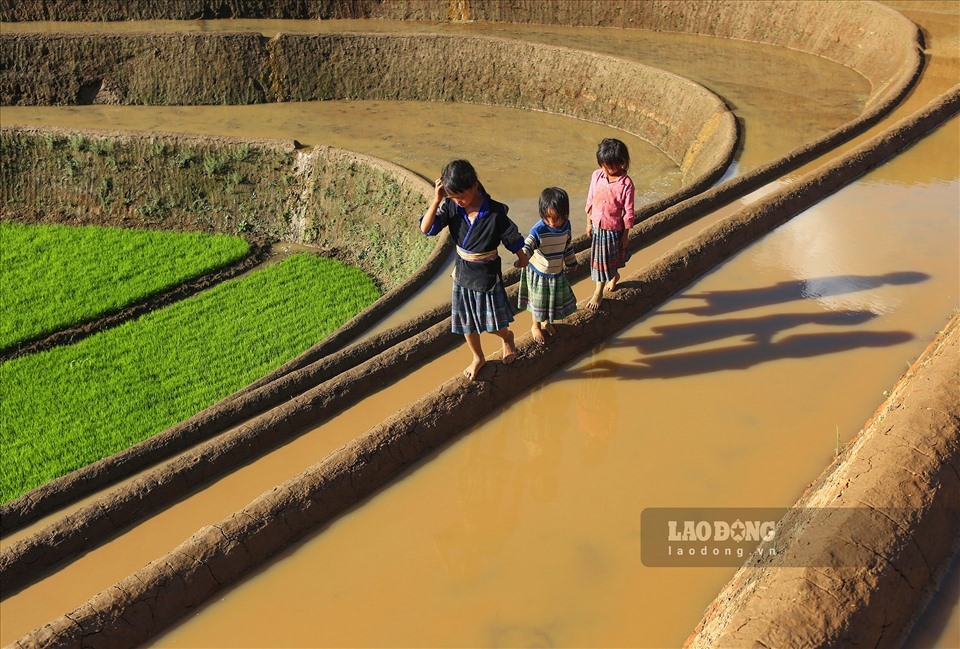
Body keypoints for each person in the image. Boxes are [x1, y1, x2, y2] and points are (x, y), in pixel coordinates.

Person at [420, 159, 529, 381]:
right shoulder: (451, 206)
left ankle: (507, 337)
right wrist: (437, 199)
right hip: (462, 274)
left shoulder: (495, 212)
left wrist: (523, 259)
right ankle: (478, 357)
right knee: (466, 324)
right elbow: (427, 229)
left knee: (492, 325)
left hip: (486, 274)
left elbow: (512, 238)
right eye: (453, 197)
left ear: (475, 186)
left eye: (462, 196)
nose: (459, 201)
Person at [516, 187, 579, 344]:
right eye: (547, 218)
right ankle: (535, 326)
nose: (552, 222)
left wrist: (571, 262)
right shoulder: (538, 229)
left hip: (556, 271)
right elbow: (528, 246)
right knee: (538, 302)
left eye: (556, 218)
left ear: (565, 214)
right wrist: (522, 258)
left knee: (551, 300)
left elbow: (567, 245)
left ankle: (547, 322)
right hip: (539, 273)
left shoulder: (566, 226)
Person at [585, 138, 636, 310]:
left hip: (613, 230)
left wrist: (626, 235)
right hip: (597, 226)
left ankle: (597, 292)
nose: (607, 169)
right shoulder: (597, 175)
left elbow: (629, 212)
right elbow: (591, 199)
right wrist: (588, 223)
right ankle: (613, 276)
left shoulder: (626, 184)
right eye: (604, 165)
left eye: (611, 165)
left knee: (606, 261)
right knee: (601, 262)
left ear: (622, 162)